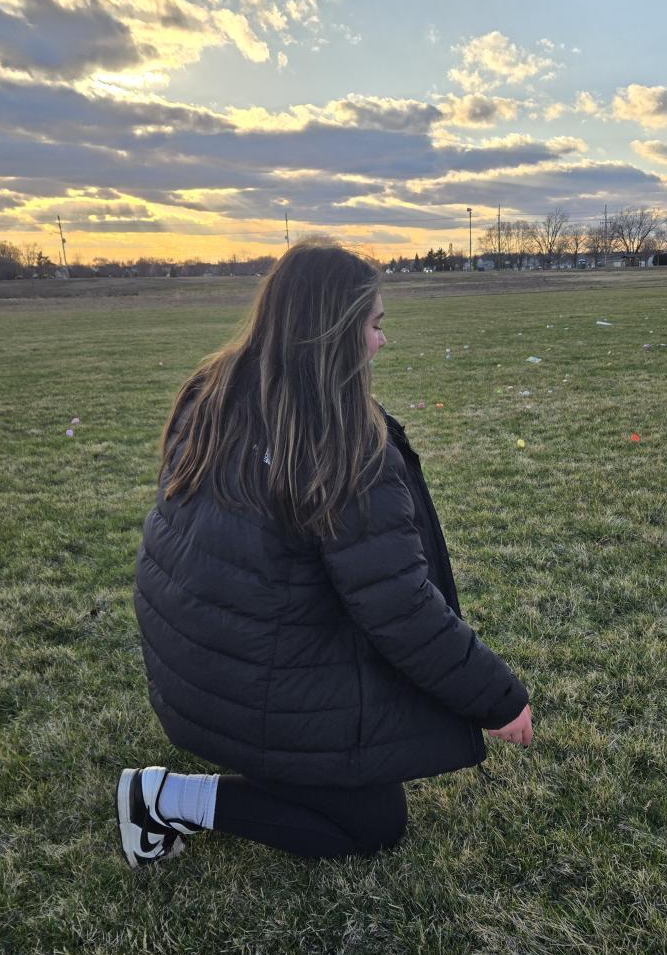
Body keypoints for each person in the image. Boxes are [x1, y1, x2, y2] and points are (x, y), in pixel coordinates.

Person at [116, 241, 533, 868]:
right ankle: (162, 798)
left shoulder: (213, 390)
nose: (383, 341)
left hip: (192, 670)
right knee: (372, 823)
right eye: (375, 324)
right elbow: (400, 608)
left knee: (366, 773)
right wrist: (497, 699)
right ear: (333, 332)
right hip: (243, 684)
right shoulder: (342, 444)